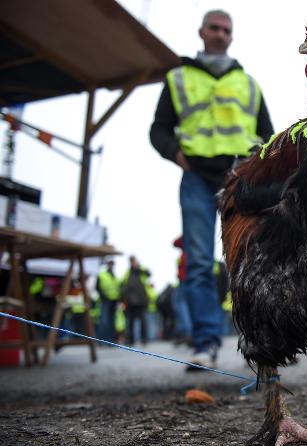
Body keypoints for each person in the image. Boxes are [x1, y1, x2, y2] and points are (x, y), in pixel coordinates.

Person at [150, 10, 274, 368]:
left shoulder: (248, 83)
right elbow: (158, 129)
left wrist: (257, 167)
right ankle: (204, 343)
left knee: (254, 259)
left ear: (231, 37)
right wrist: (175, 154)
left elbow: (267, 133)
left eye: (226, 30)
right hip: (196, 179)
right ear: (201, 32)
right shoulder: (177, 79)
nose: (220, 35)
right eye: (214, 28)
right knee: (200, 262)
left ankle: (266, 340)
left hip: (241, 180)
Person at [121, 255, 151, 346]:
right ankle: (130, 340)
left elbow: (149, 274)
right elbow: (124, 285)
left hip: (141, 300)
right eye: (131, 261)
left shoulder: (142, 270)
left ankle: (144, 339)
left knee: (143, 320)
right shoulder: (127, 272)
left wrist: (139, 267)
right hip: (130, 301)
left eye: (134, 261)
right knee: (130, 321)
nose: (133, 263)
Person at [96, 259, 121, 343]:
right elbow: (97, 287)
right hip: (105, 301)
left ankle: (111, 340)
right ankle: (101, 340)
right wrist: (103, 296)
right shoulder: (102, 275)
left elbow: (118, 289)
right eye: (110, 264)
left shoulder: (115, 276)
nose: (111, 266)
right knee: (104, 321)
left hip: (114, 301)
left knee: (112, 321)